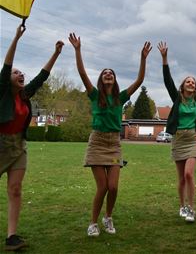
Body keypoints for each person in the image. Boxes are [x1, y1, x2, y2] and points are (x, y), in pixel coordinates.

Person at [69, 33, 151, 237]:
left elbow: (139, 80)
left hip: (114, 143)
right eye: (105, 73)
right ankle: (93, 222)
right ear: (101, 78)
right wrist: (78, 50)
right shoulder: (94, 95)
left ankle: (108, 216)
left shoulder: (120, 98)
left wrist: (142, 58)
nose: (108, 74)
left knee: (113, 187)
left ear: (114, 79)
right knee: (103, 186)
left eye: (111, 73)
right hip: (97, 143)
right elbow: (82, 73)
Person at [1, 25, 63, 251]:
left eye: (21, 73)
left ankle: (11, 237)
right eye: (15, 73)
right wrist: (16, 37)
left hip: (18, 146)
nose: (20, 75)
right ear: (6, 79)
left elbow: (42, 77)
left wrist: (55, 53)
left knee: (15, 189)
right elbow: (6, 65)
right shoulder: (2, 92)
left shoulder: (25, 95)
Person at [157, 41, 196, 223]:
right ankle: (182, 206)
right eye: (188, 81)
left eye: (193, 82)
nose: (191, 83)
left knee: (188, 174)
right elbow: (167, 80)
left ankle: (191, 208)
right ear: (183, 86)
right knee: (181, 178)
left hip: (193, 139)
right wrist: (164, 59)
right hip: (178, 139)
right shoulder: (176, 98)